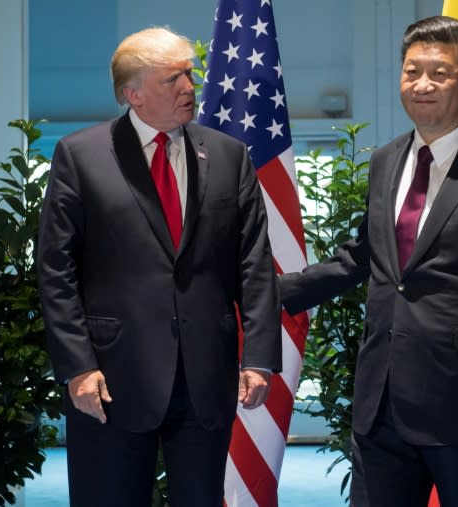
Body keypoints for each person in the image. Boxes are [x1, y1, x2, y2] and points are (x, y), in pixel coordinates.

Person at [279, 16, 458, 507]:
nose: (422, 84)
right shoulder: (385, 161)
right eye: (412, 71)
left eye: (440, 73)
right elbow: (369, 255)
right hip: (383, 403)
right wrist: (273, 291)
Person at [37, 27, 281, 507]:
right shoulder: (81, 155)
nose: (190, 86)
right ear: (134, 93)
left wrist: (257, 355)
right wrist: (77, 366)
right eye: (173, 79)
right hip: (110, 378)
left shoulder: (228, 155)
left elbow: (252, 262)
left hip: (206, 377)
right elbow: (56, 271)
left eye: (190, 74)